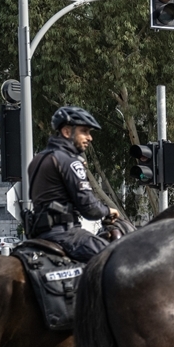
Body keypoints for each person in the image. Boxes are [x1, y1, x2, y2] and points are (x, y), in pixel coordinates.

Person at [26, 106, 118, 262]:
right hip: (66, 235)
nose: (90, 138)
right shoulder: (68, 161)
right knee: (117, 259)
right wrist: (108, 210)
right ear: (67, 132)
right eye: (84, 131)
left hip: (39, 234)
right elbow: (90, 209)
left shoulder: (38, 159)